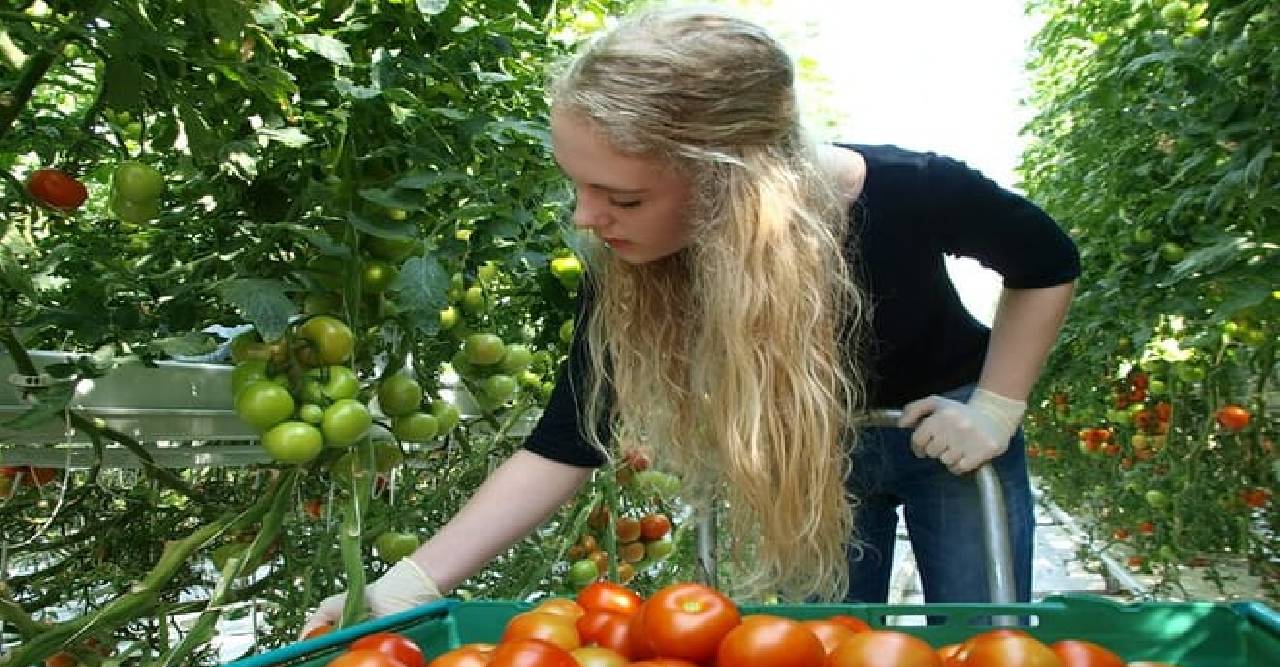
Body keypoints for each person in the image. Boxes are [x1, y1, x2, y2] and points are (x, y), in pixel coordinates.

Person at [303, 4, 1078, 632]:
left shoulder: (911, 190)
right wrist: (400, 588)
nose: (586, 217)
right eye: (579, 184)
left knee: (988, 647)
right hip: (811, 461)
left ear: (734, 182)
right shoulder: (633, 262)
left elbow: (1046, 262)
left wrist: (995, 407)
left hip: (947, 443)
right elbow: (566, 443)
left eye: (624, 197)